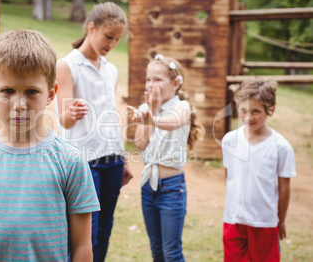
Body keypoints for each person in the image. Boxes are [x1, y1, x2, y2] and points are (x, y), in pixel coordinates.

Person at [0, 29, 100, 261]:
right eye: (7, 91)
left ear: (51, 93)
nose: (19, 104)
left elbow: (82, 246)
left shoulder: (71, 161)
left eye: (31, 92)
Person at [55, 1, 133, 262]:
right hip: (83, 161)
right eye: (108, 36)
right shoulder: (67, 66)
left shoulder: (111, 69)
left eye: (117, 39)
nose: (112, 44)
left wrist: (122, 158)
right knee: (84, 232)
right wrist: (70, 113)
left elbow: (111, 117)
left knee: (104, 230)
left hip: (112, 159)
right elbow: (64, 121)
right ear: (91, 27)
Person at [127, 54, 204, 261]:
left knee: (172, 252)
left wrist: (152, 117)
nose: (151, 84)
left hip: (171, 188)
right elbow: (141, 144)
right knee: (157, 250)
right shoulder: (146, 108)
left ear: (176, 83)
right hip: (148, 187)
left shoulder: (182, 108)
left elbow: (171, 122)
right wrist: (148, 114)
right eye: (148, 79)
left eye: (158, 79)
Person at [221, 78, 296, 261]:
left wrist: (281, 220)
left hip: (264, 222)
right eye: (244, 110)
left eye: (256, 111)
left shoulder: (281, 147)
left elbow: (284, 187)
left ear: (271, 110)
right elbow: (229, 177)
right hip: (234, 220)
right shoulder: (229, 141)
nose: (248, 117)